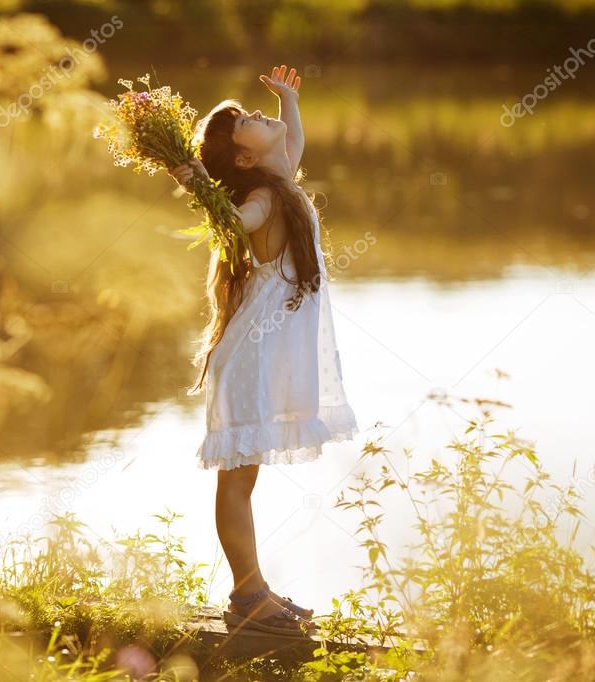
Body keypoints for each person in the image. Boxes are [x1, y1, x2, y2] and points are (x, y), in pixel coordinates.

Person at [169, 65, 359, 637]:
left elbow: (291, 142)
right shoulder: (263, 199)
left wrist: (291, 102)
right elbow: (233, 219)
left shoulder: (282, 182)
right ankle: (248, 597)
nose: (260, 115)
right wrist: (199, 185)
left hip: (260, 354)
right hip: (250, 357)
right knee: (237, 480)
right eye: (246, 122)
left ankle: (254, 590)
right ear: (246, 161)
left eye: (255, 113)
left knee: (242, 480)